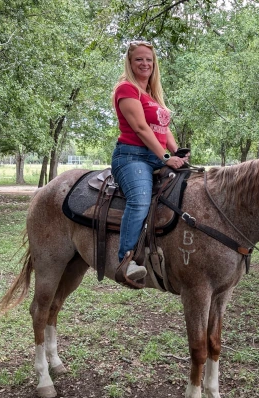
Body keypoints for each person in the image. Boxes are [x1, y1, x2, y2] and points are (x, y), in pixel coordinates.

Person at [111, 40, 188, 282]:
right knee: (140, 200)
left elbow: (162, 129)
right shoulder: (126, 89)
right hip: (132, 156)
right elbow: (142, 129)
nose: (145, 63)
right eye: (139, 59)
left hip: (154, 155)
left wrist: (178, 152)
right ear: (130, 62)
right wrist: (165, 157)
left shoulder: (152, 94)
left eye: (149, 60)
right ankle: (125, 260)